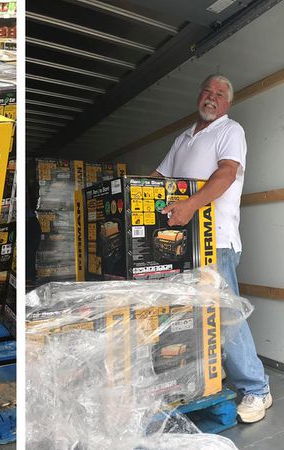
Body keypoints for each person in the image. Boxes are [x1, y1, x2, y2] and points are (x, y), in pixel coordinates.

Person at [151, 74, 270, 423]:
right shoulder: (185, 137)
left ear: (228, 103)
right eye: (207, 91)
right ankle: (203, 378)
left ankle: (257, 389)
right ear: (199, 95)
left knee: (226, 317)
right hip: (185, 244)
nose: (211, 97)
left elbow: (226, 174)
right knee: (195, 317)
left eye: (220, 93)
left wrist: (190, 205)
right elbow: (158, 178)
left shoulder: (230, 131)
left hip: (216, 240)